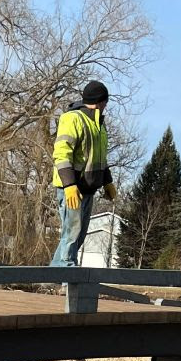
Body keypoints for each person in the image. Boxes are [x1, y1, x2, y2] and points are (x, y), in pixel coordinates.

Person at [50, 80, 116, 267]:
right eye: (105, 102)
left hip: (88, 188)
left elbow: (99, 159)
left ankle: (52, 275)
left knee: (76, 235)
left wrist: (107, 182)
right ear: (101, 101)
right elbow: (62, 154)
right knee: (72, 232)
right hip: (72, 188)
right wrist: (69, 185)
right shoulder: (73, 119)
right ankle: (67, 277)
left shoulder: (99, 126)